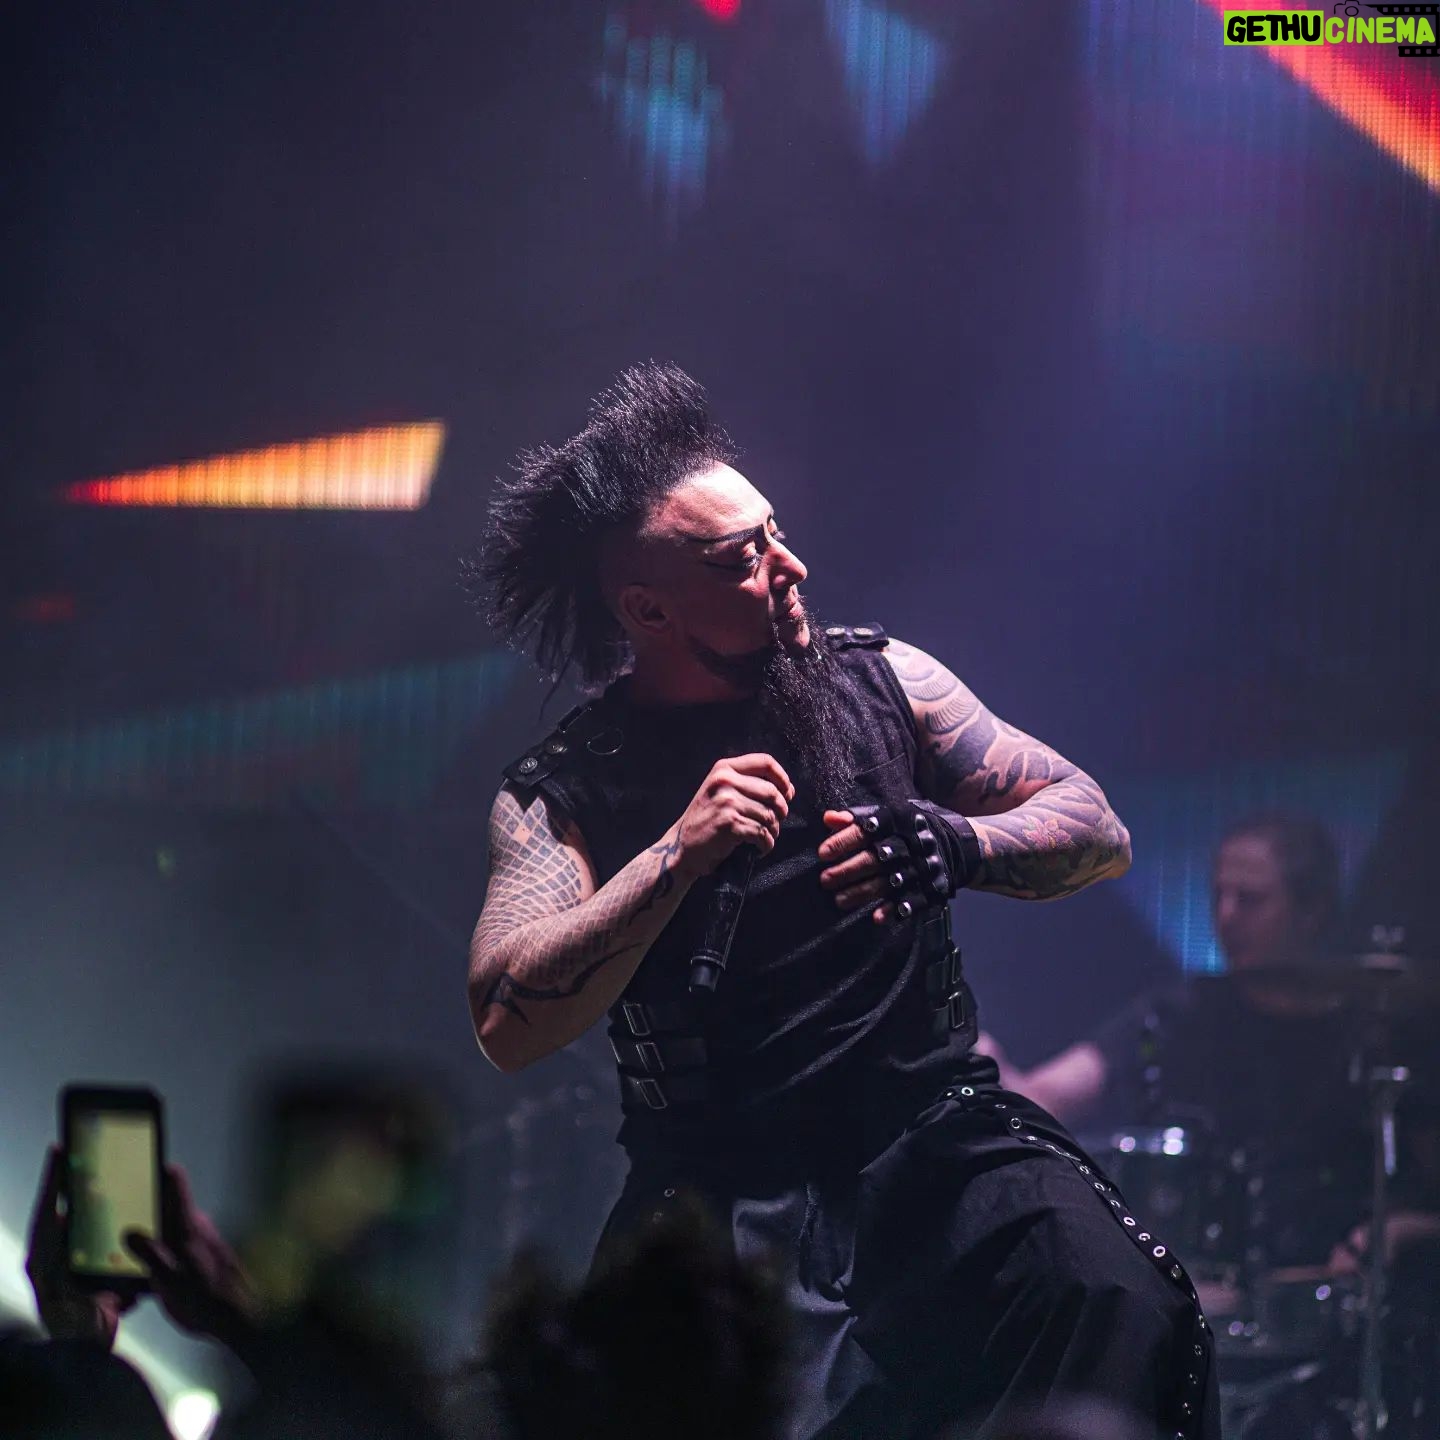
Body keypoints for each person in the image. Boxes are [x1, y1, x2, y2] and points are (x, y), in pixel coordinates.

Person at [463, 362, 1218, 1439]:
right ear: (649, 608)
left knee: (1116, 1298)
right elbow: (505, 1019)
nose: (790, 566)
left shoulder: (888, 681)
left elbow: (1098, 830)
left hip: (931, 1131)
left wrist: (958, 841)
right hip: (725, 1182)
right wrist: (674, 858)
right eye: (743, 558)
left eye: (775, 533)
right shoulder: (570, 787)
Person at [981, 814, 1440, 1273]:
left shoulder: (1376, 1034)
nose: (1226, 916)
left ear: (1313, 909)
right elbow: (1044, 1098)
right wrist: (984, 1064)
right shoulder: (1179, 1013)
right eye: (1219, 895)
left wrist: (1397, 1230)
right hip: (1202, 1293)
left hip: (1333, 1297)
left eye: (1250, 900)